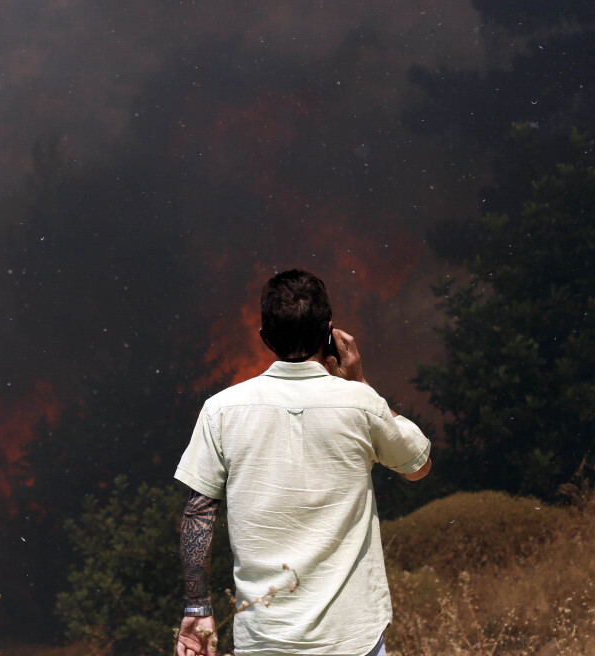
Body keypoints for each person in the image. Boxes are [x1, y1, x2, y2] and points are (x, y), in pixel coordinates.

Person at [174, 269, 431, 656]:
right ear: (329, 333)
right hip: (351, 639)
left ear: (264, 338)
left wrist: (198, 608)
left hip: (265, 639)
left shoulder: (220, 411)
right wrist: (359, 382)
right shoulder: (361, 405)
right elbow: (418, 465)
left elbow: (198, 514)